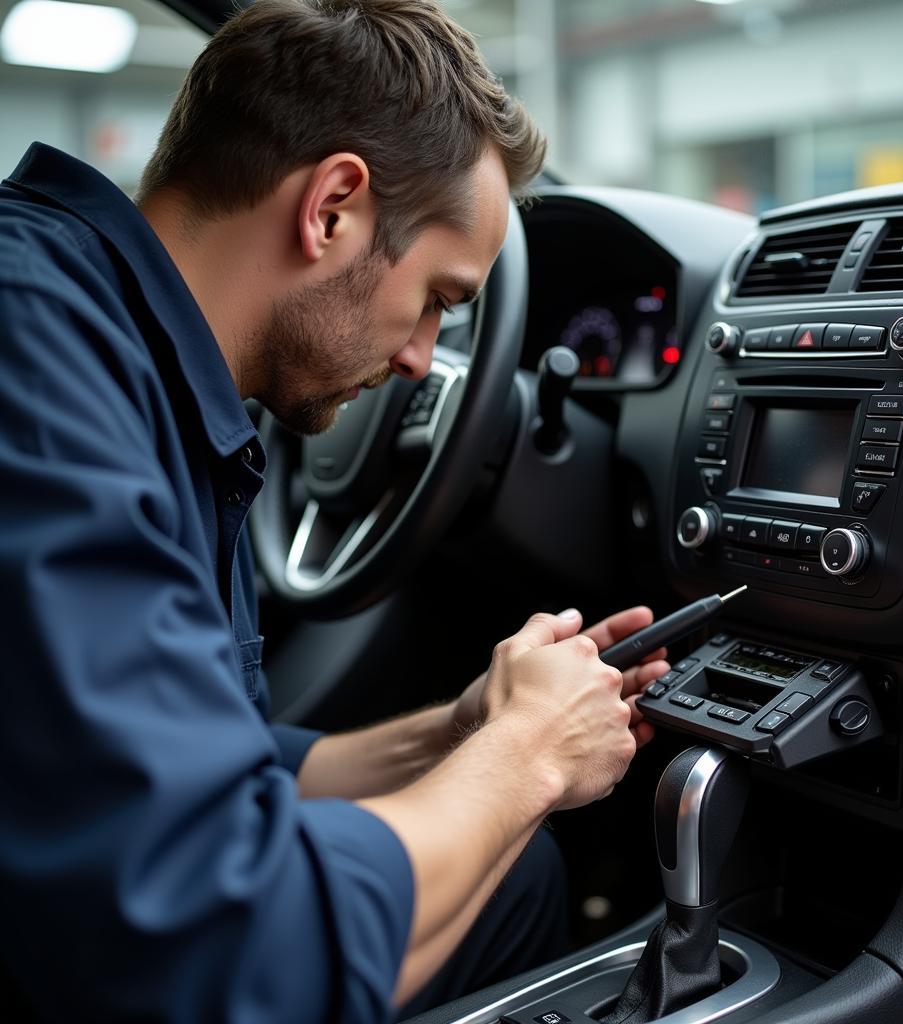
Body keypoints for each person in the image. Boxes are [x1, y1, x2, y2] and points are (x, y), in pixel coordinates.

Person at [0, 0, 671, 1020]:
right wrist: (525, 757)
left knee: (517, 874)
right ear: (332, 209)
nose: (420, 359)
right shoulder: (40, 369)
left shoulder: (116, 350)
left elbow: (196, 758)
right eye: (440, 297)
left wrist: (461, 734)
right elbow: (223, 947)